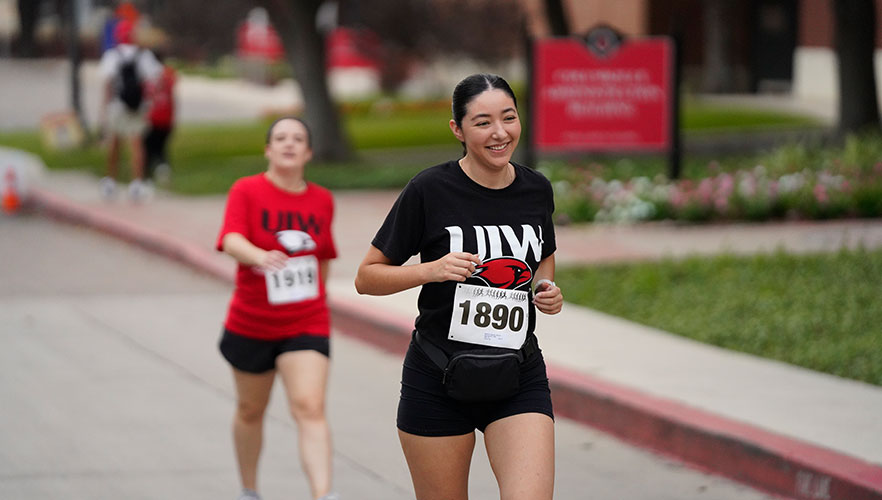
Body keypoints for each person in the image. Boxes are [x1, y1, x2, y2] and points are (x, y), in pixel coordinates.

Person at [354, 73, 564, 500]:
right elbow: (367, 277)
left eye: (508, 117)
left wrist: (546, 287)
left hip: (517, 371)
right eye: (483, 122)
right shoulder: (429, 189)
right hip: (438, 373)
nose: (500, 133)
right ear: (458, 129)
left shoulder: (536, 188)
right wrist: (430, 270)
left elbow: (543, 254)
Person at [216, 117, 340, 500]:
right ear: (268, 150)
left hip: (306, 321)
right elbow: (231, 239)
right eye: (281, 138)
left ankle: (323, 494)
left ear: (309, 152)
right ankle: (249, 489)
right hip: (251, 322)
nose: (289, 144)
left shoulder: (322, 200)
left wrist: (319, 300)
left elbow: (323, 256)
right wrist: (260, 256)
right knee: (250, 410)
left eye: (298, 138)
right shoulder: (247, 190)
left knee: (309, 405)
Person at [97, 18, 160, 201]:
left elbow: (108, 84)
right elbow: (154, 80)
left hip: (117, 105)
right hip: (137, 106)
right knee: (137, 144)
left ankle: (110, 182)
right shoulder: (144, 55)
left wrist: (104, 108)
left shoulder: (112, 55)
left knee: (114, 143)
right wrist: (150, 101)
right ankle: (137, 184)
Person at [142, 50, 176, 185]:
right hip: (166, 117)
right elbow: (172, 97)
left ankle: (146, 175)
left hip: (151, 117)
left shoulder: (146, 74)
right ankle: (163, 170)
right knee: (161, 148)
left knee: (148, 148)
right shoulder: (169, 73)